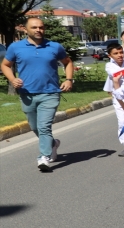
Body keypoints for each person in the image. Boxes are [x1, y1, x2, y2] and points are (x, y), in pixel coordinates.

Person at [1, 17, 74, 172]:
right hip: (27, 93)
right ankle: (53, 144)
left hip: (50, 92)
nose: (38, 30)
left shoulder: (54, 46)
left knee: (44, 126)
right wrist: (13, 79)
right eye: (34, 27)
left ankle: (44, 157)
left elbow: (68, 62)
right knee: (35, 127)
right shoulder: (16, 47)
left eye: (41, 27)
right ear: (25, 29)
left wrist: (68, 80)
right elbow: (5, 65)